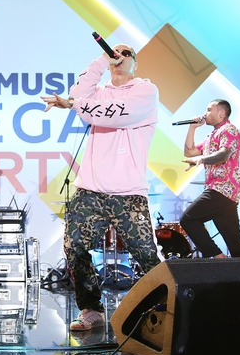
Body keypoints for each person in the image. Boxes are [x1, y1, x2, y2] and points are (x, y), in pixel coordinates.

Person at [41, 43, 162, 331]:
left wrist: (74, 104)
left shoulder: (145, 91)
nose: (119, 56)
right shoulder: (98, 92)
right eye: (114, 52)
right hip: (90, 189)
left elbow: (116, 113)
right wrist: (101, 59)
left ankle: (168, 304)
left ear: (135, 62)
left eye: (126, 53)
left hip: (129, 193)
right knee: (74, 247)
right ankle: (91, 309)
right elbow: (78, 93)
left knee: (147, 255)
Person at [179, 99, 240, 258]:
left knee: (188, 219)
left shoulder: (229, 130)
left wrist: (201, 159)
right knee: (235, 243)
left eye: (209, 109)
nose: (205, 113)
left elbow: (223, 155)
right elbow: (189, 152)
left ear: (221, 113)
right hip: (222, 192)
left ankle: (217, 255)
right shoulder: (211, 136)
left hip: (223, 188)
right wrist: (192, 127)